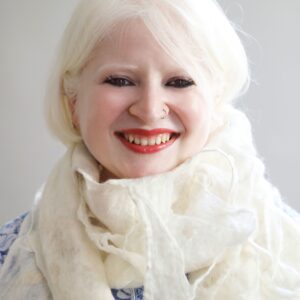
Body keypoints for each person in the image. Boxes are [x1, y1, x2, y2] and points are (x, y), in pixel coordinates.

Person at [0, 0, 299, 299]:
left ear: (214, 102)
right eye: (120, 80)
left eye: (179, 81)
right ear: (73, 102)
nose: (149, 109)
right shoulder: (9, 256)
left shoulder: (284, 247)